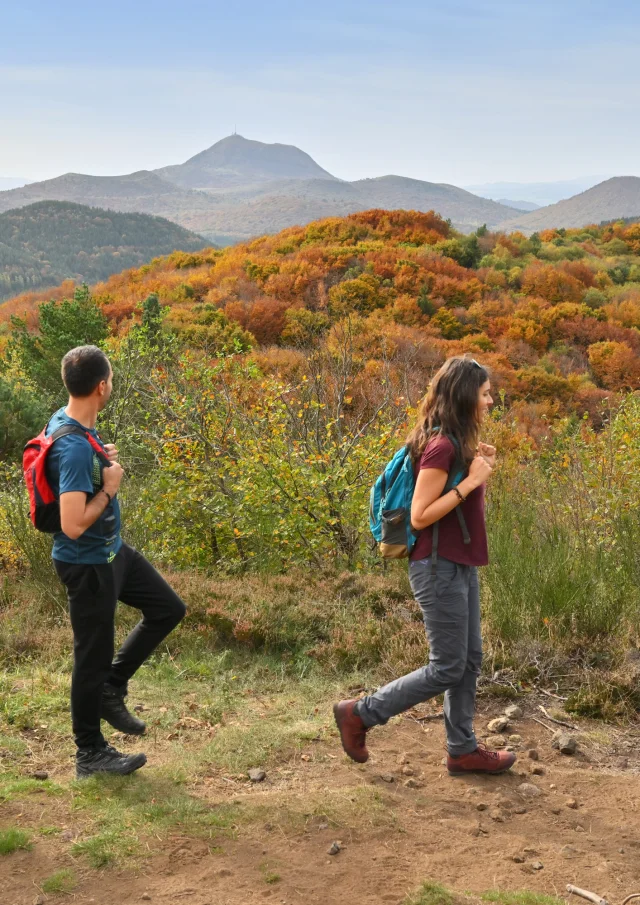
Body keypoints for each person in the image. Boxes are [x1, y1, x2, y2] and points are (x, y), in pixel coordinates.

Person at [333, 356, 516, 775]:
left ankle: (462, 749)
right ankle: (359, 713)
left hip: (457, 564)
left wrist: (471, 466)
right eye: (485, 394)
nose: (490, 402)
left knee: (469, 659)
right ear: (467, 396)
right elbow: (419, 516)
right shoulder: (442, 446)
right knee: (448, 665)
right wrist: (471, 481)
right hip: (437, 568)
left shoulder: (455, 444)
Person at [46, 345, 186, 778]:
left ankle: (112, 686)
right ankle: (89, 753)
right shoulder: (72, 448)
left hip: (112, 553)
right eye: (112, 380)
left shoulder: (68, 422)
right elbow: (71, 524)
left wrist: (96, 456)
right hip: (87, 563)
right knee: (91, 656)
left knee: (167, 609)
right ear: (102, 387)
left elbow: (68, 467)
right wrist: (109, 487)